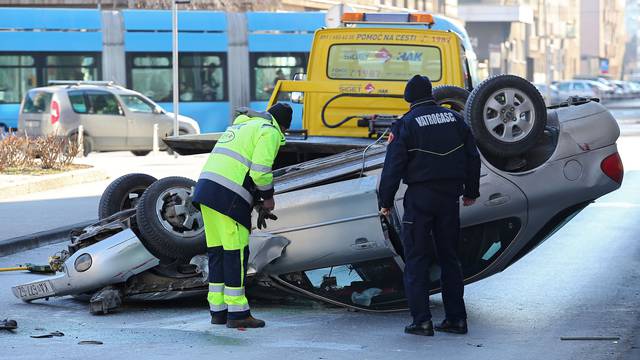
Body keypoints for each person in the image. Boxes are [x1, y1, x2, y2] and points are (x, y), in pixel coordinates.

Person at [378, 75, 481, 337]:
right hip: (450, 198)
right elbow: (472, 157)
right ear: (432, 95)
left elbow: (393, 167)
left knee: (417, 259)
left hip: (421, 199)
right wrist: (471, 191)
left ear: (409, 97)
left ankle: (421, 321)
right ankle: (457, 319)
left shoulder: (405, 124)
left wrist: (385, 202)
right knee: (450, 259)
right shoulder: (456, 119)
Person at [192, 103, 293, 329]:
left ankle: (218, 311)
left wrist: (255, 201)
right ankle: (238, 313)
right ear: (284, 126)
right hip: (227, 197)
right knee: (236, 254)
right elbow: (259, 170)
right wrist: (268, 198)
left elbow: (238, 168)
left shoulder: (242, 127)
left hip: (206, 192)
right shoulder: (270, 132)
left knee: (218, 252)